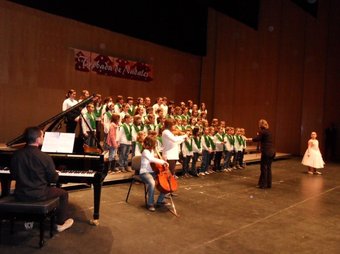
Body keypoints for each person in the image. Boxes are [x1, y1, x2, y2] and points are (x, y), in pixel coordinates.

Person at [10, 127, 74, 232]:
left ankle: (29, 219)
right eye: (42, 136)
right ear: (38, 139)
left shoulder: (16, 155)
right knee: (63, 194)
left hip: (20, 193)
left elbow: (14, 175)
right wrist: (56, 173)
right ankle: (60, 223)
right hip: (39, 194)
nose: (43, 137)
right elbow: (53, 179)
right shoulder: (45, 157)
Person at [139, 136, 169, 212]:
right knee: (152, 183)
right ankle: (150, 203)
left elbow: (155, 160)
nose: (153, 146)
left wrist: (162, 158)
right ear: (149, 144)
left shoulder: (152, 151)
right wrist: (163, 162)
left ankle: (160, 200)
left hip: (152, 172)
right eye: (153, 144)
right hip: (144, 173)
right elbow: (151, 159)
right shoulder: (145, 151)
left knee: (165, 182)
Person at [247, 119, 275, 189]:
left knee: (263, 168)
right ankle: (268, 184)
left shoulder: (262, 131)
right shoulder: (269, 131)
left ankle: (263, 184)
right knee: (268, 168)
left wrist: (247, 139)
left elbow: (256, 139)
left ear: (260, 125)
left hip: (266, 152)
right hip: (272, 152)